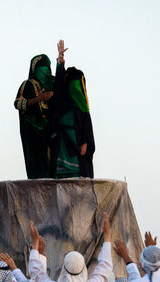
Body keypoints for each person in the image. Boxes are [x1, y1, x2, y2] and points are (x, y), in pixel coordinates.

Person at [51, 39, 95, 179]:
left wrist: (86, 144)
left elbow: (88, 128)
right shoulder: (62, 99)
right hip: (62, 145)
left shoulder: (83, 107)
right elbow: (58, 83)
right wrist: (60, 59)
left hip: (77, 150)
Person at [15, 53, 55, 179]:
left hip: (49, 133)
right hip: (33, 133)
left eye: (48, 68)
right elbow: (18, 103)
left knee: (51, 168)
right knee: (38, 169)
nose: (46, 72)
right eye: (42, 69)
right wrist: (39, 99)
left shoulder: (50, 85)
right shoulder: (27, 84)